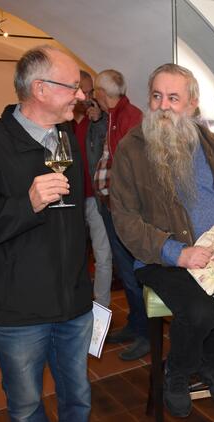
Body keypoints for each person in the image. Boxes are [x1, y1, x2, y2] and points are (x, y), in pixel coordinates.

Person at [0, 45, 93, 422]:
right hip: (17, 311)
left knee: (78, 398)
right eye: (72, 87)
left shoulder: (65, 138)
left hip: (73, 303)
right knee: (26, 408)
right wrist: (26, 204)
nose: (80, 95)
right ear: (40, 89)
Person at [109, 63, 214, 418]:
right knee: (200, 311)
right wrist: (177, 253)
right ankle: (177, 375)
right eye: (156, 96)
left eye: (173, 98)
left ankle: (211, 361)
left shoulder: (210, 143)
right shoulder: (131, 149)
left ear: (192, 104)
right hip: (161, 259)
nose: (163, 106)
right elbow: (124, 219)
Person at [90, 69, 148, 361]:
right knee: (126, 271)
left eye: (95, 91)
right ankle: (136, 325)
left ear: (102, 92)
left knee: (133, 271)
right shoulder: (113, 115)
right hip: (112, 205)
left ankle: (146, 334)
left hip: (124, 209)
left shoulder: (130, 116)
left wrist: (121, 204)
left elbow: (135, 169)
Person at [71, 70, 114, 309]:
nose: (86, 98)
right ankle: (77, 306)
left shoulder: (100, 120)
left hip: (96, 199)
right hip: (70, 200)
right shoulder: (59, 122)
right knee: (73, 256)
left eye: (90, 92)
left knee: (103, 256)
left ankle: (101, 311)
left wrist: (98, 121)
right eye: (82, 92)